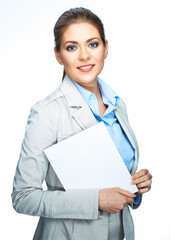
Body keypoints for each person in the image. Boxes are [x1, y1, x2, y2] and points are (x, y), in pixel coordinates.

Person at [11, 7, 152, 240]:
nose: (84, 56)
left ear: (106, 48)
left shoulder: (117, 105)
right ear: (58, 55)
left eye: (93, 44)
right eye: (72, 47)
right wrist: (95, 200)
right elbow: (23, 197)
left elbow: (111, 176)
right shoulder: (46, 112)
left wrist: (136, 186)